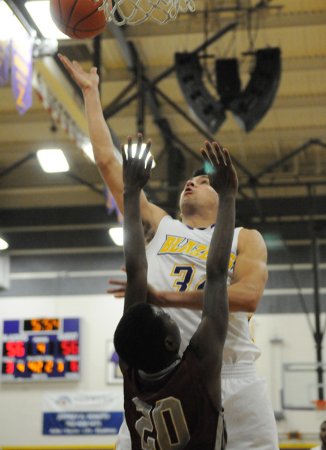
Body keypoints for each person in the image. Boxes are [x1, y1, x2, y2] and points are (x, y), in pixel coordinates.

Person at [58, 54, 279, 450]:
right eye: (187, 182)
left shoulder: (245, 237)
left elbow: (248, 297)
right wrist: (91, 94)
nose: (191, 183)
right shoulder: (161, 225)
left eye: (202, 180)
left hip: (231, 372)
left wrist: (163, 298)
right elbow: (110, 163)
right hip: (159, 373)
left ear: (223, 192)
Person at [117, 134, 236, 450]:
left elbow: (135, 271)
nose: (162, 309)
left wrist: (131, 191)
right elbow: (217, 273)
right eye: (163, 316)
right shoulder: (199, 368)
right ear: (171, 341)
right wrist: (229, 197)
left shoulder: (132, 373)